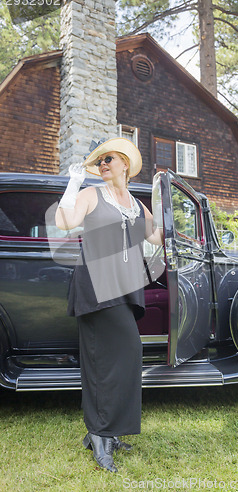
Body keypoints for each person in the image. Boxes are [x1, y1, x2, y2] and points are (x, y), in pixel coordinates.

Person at [55, 137, 163, 473]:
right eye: (99, 161)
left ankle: (108, 431)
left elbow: (157, 236)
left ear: (125, 165)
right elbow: (64, 222)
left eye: (109, 159)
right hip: (96, 287)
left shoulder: (134, 202)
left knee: (125, 357)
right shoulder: (91, 194)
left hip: (124, 287)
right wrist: (73, 183)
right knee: (105, 360)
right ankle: (99, 436)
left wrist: (165, 207)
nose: (103, 165)